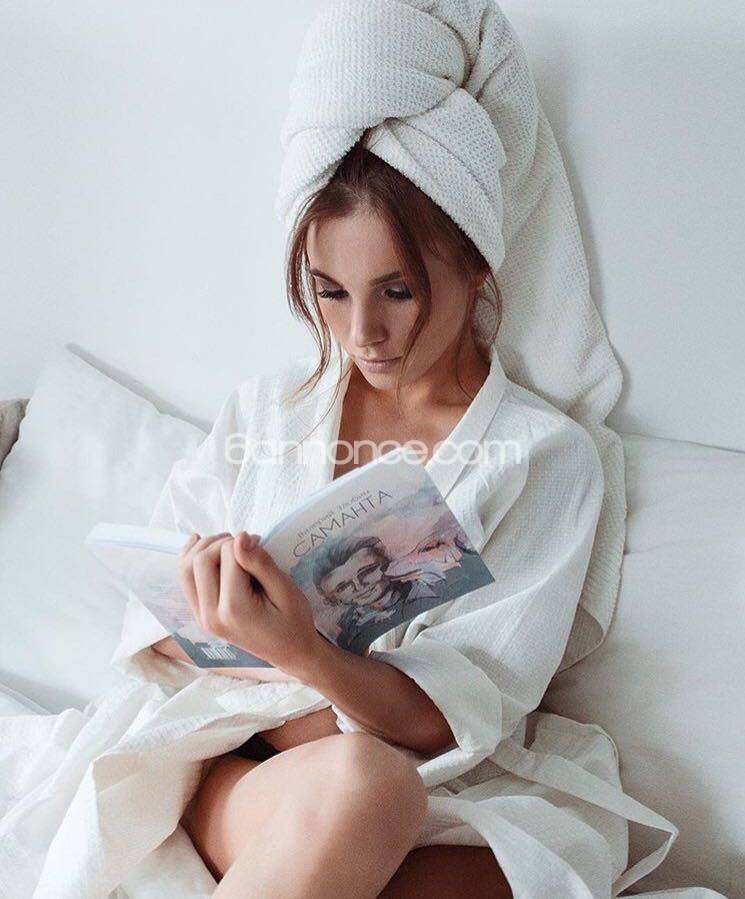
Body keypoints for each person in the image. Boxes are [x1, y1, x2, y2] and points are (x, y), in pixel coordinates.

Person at [106, 3, 686, 897]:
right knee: (361, 779)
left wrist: (305, 653)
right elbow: (151, 624)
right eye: (330, 292)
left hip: (439, 792)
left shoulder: (541, 457)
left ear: (477, 264)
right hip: (245, 771)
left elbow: (457, 716)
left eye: (398, 291)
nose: (361, 333)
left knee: (504, 851)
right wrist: (221, 611)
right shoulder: (267, 410)